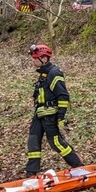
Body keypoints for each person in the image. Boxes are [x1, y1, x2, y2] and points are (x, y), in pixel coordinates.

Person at [25, 44, 84, 176]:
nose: (33, 61)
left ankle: (78, 165)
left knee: (56, 143)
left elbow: (63, 96)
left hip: (50, 115)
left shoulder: (54, 73)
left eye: (35, 58)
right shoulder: (44, 74)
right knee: (33, 141)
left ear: (44, 58)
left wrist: (60, 117)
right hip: (39, 115)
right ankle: (31, 172)